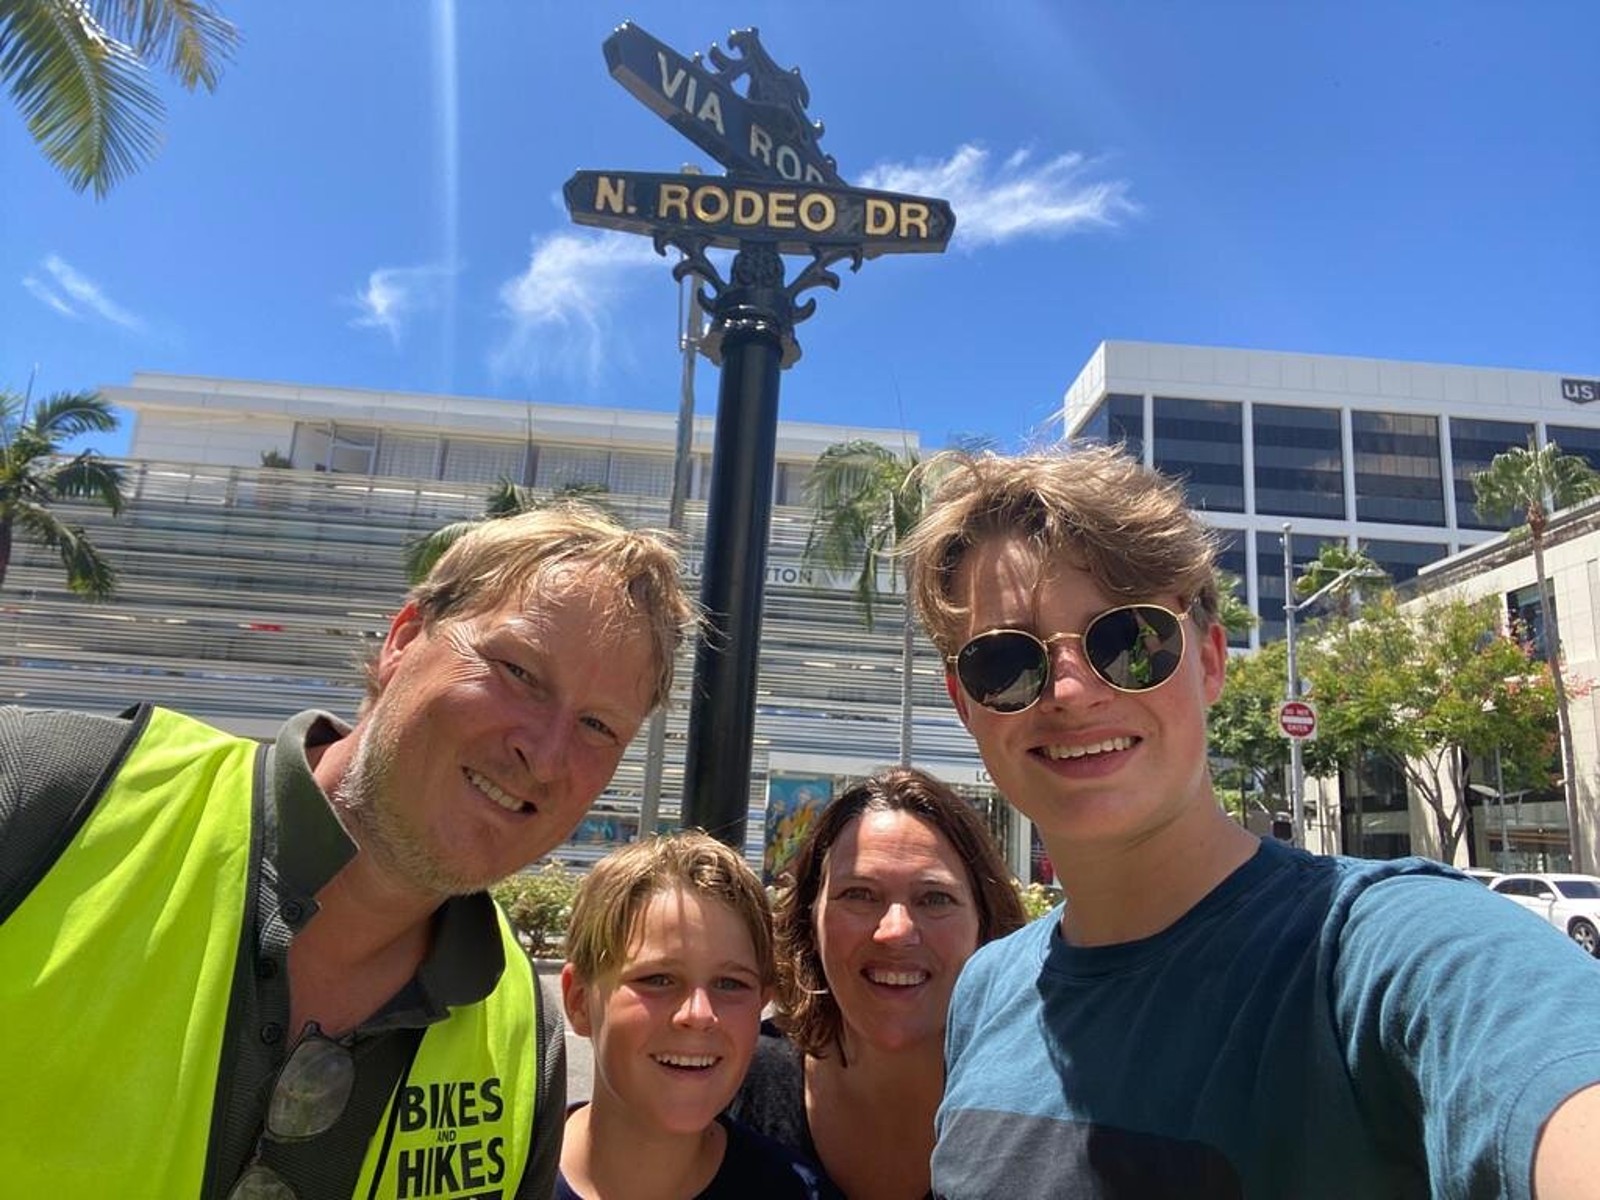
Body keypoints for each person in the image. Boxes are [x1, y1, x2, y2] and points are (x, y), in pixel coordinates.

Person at [901, 444, 1600, 1199]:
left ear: (1209, 662)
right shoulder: (984, 991)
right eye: (1007, 661)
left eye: (1129, 642)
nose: (1069, 691)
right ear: (965, 702)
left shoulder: (1379, 950)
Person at [0, 503, 696, 1200]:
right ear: (404, 639)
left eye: (599, 725)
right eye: (517, 671)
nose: (544, 756)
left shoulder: (525, 1034)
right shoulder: (49, 795)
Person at [728, 768, 1027, 1199]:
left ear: (986, 925)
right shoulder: (732, 1078)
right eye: (860, 895)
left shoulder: (1042, 1106)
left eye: (934, 898)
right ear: (809, 919)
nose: (895, 931)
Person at [557, 831, 840, 1200]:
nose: (700, 1014)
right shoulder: (499, 1175)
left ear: (761, 1004)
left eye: (730, 984)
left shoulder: (797, 1193)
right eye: (658, 979)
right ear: (579, 1001)